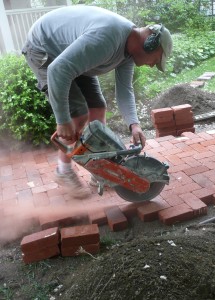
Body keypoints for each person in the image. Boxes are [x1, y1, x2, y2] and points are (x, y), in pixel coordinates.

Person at [22, 5, 173, 198]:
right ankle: (63, 171)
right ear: (150, 43)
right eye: (156, 60)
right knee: (78, 114)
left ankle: (101, 169)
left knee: (98, 108)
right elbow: (58, 70)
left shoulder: (128, 54)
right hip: (45, 49)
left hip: (71, 54)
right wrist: (63, 120)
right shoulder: (108, 38)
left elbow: (125, 91)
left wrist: (134, 124)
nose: (153, 65)